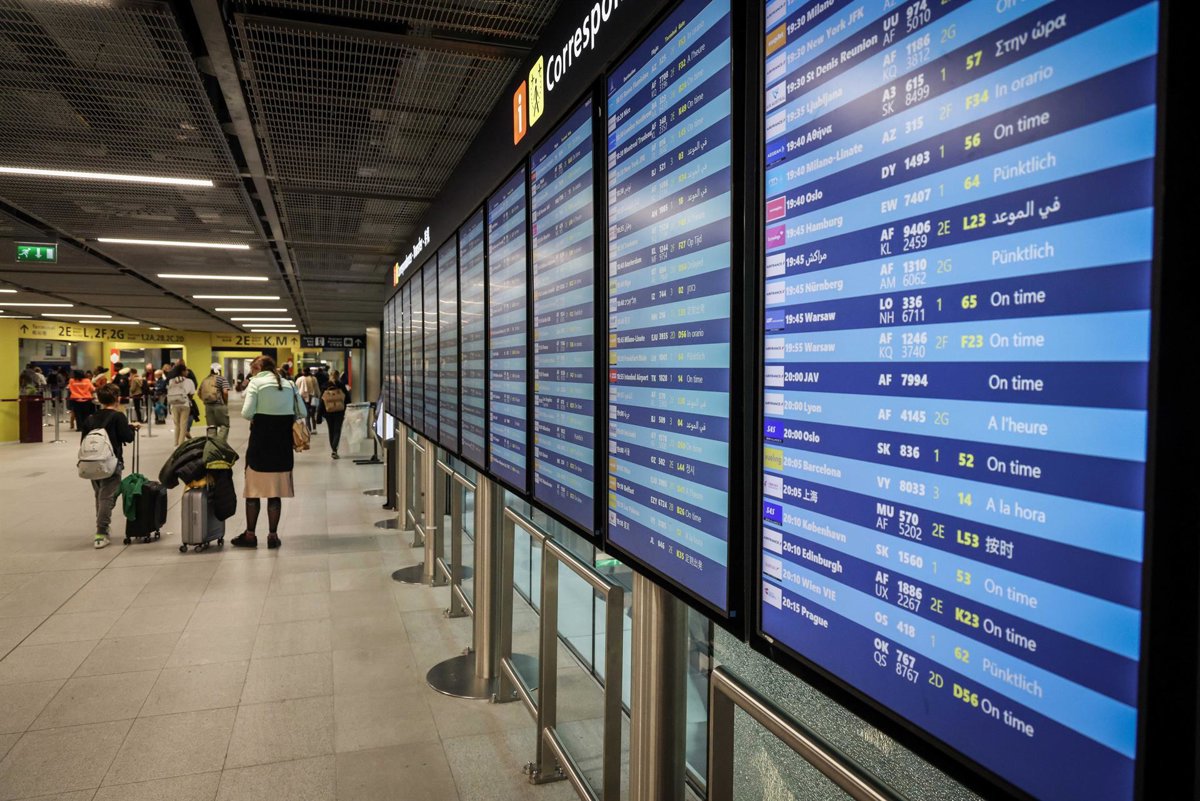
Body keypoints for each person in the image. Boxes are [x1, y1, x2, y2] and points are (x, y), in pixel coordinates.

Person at [235, 355, 305, 549]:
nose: (251, 373)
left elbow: (246, 413)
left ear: (258, 368)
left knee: (253, 492)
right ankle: (273, 536)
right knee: (275, 493)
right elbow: (302, 411)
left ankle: (250, 535)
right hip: (282, 446)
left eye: (252, 369)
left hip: (260, 444)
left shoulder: (256, 384)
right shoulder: (289, 385)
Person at [80, 384, 139, 549]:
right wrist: (132, 429)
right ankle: (101, 533)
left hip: (91, 462)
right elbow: (127, 437)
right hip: (111, 463)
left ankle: (103, 528)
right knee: (107, 498)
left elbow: (83, 441)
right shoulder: (118, 416)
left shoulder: (90, 418)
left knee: (100, 495)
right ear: (117, 398)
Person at [317, 369, 350, 459]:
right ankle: (334, 449)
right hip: (339, 412)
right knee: (337, 430)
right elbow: (347, 399)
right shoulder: (341, 386)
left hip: (328, 412)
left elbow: (321, 402)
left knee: (331, 430)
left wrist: (319, 415)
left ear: (330, 376)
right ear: (338, 376)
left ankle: (333, 449)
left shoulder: (325, 386)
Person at [166, 363, 196, 446]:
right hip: (184, 404)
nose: (187, 372)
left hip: (174, 404)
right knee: (183, 425)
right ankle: (180, 445)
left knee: (177, 425)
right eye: (186, 370)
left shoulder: (171, 380)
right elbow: (192, 393)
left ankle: (175, 444)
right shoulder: (189, 381)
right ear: (182, 371)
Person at [199, 363, 231, 439]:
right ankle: (219, 443)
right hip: (219, 405)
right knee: (224, 426)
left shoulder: (205, 379)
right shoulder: (222, 379)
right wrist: (225, 402)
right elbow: (225, 392)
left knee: (211, 426)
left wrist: (205, 400)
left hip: (208, 406)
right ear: (220, 370)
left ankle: (211, 444)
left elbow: (199, 393)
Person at [295, 369, 319, 433]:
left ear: (303, 372)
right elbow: (317, 388)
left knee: (307, 414)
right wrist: (318, 396)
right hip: (313, 398)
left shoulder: (300, 379)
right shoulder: (314, 378)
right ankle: (314, 429)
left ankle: (309, 429)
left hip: (304, 398)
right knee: (313, 414)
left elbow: (296, 388)